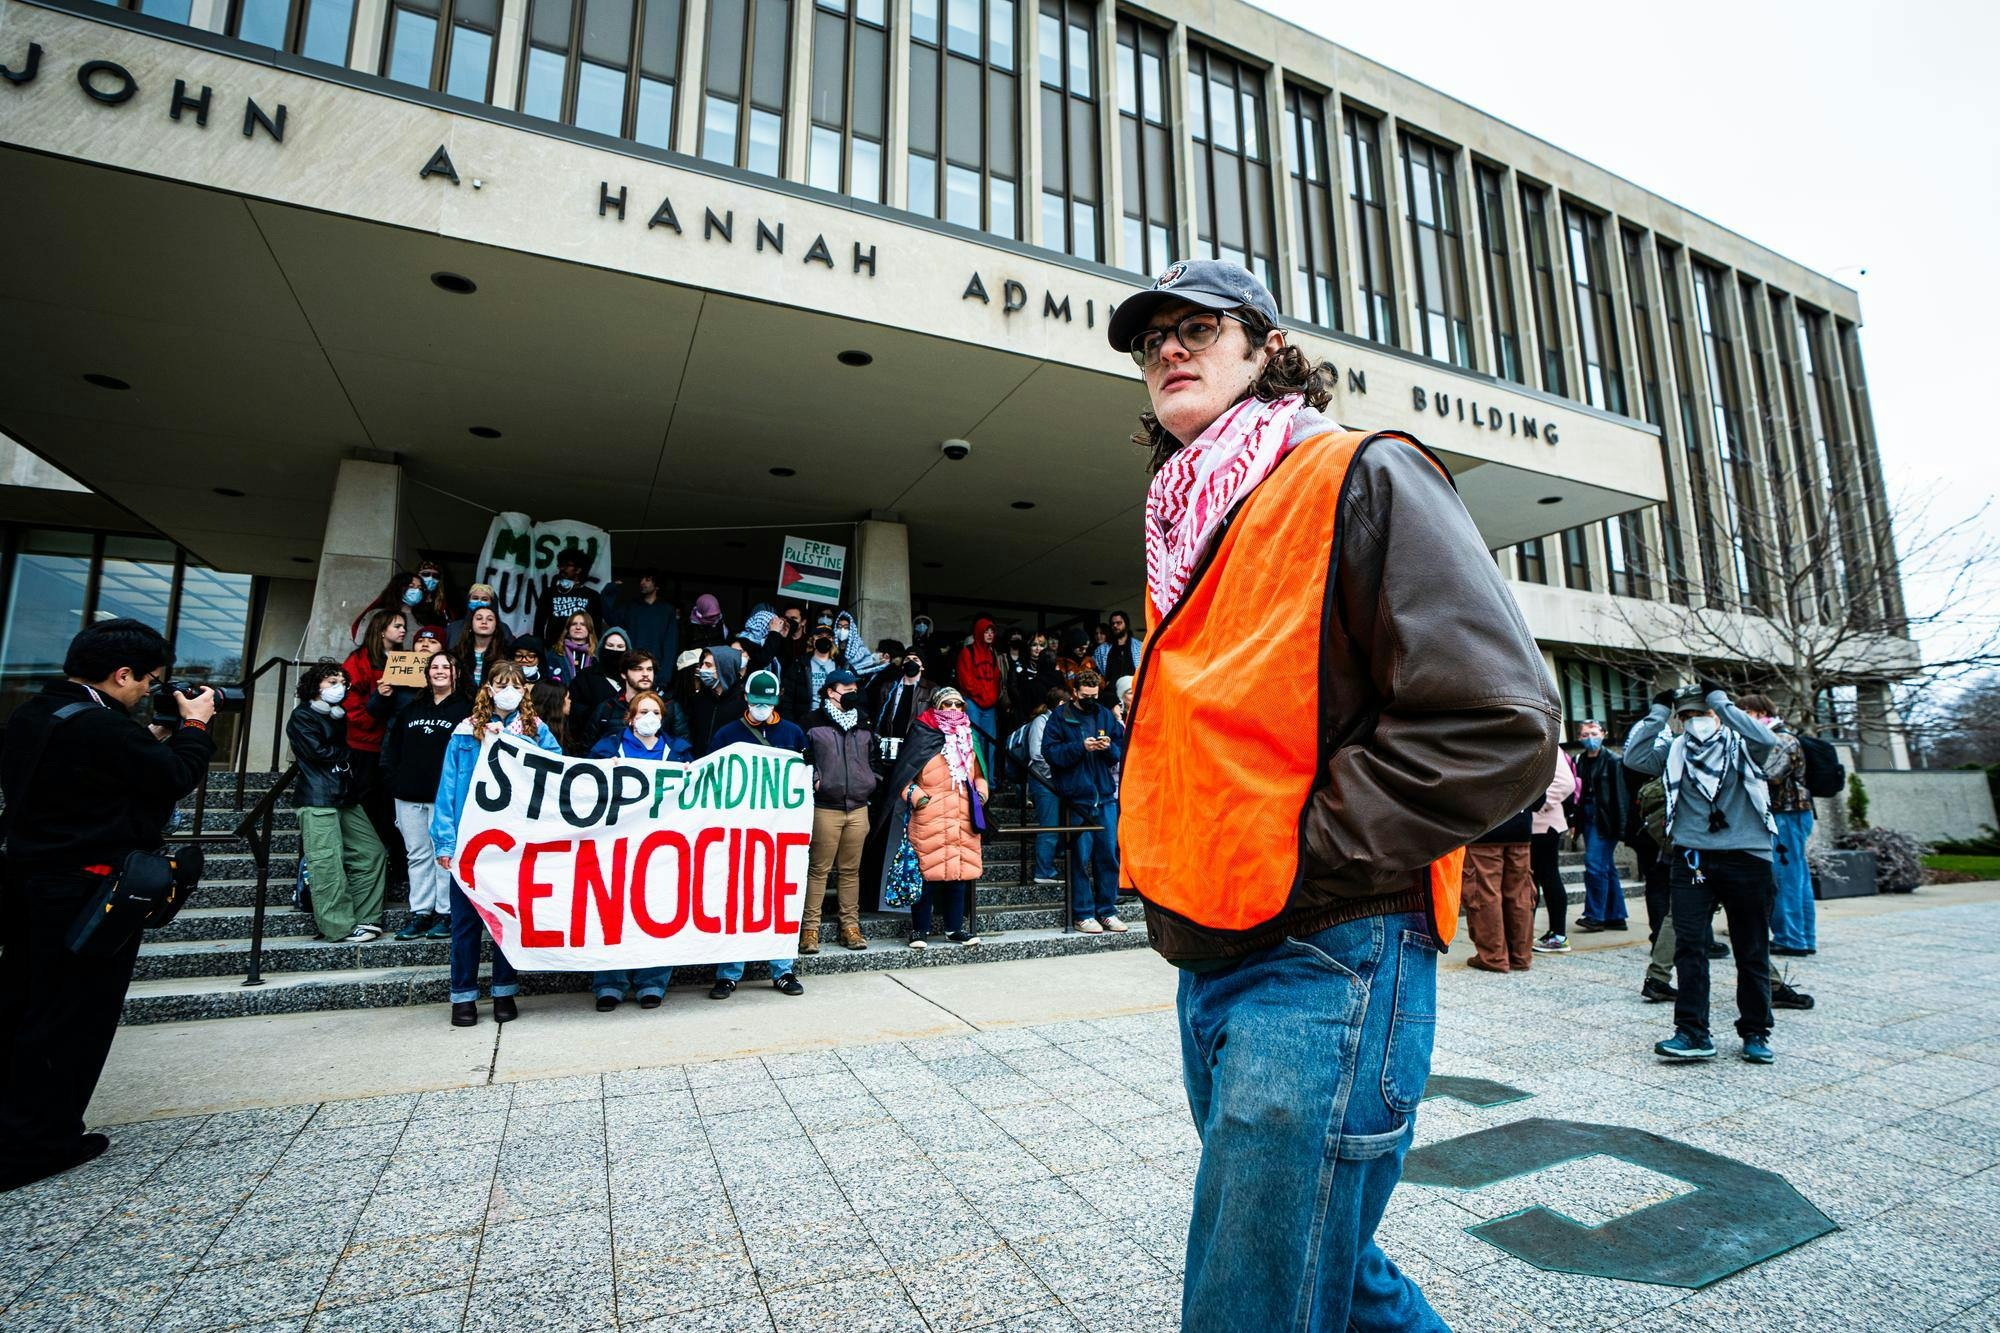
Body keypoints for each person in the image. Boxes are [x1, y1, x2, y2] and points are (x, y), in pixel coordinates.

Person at [1106, 259, 1558, 1333]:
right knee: (1330, 1273)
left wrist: (1299, 849)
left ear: (1265, 348)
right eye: (1148, 336)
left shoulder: (1358, 472)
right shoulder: (1186, 523)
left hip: (1326, 952)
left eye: (1198, 327)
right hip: (1217, 950)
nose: (1168, 347)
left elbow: (1499, 720)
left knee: (1248, 1302)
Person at [0, 618, 216, 1190]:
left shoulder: (33, 714)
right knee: (74, 1014)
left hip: (28, 882)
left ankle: (15, 1126)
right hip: (84, 890)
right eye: (147, 679)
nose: (150, 689)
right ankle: (40, 1142)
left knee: (25, 1003)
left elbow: (110, 778)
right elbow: (174, 776)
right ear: (121, 673)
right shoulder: (100, 726)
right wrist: (196, 728)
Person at [1623, 683, 1779, 1064]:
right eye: (1687, 716)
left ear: (1716, 714)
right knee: (1689, 946)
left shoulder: (1742, 746)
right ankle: (1692, 1031)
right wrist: (1659, 712)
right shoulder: (1674, 750)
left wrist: (1721, 703)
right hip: (1692, 858)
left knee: (1751, 948)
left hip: (1747, 856)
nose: (1696, 722)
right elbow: (1634, 757)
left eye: (1702, 714)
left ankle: (1755, 1031)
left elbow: (1766, 738)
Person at [431, 663, 562, 1027]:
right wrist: (445, 841)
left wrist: (514, 742)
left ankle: (505, 991)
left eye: (515, 685)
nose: (508, 691)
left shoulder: (537, 731)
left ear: (525, 691)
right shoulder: (463, 733)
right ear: (488, 689)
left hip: (515, 844)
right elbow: (447, 790)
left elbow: (558, 771)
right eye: (501, 684)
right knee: (466, 924)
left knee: (507, 920)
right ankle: (463, 997)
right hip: (471, 843)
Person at [703, 669, 805, 999]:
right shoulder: (727, 734)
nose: (762, 707)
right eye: (756, 701)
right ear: (746, 698)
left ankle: (783, 969)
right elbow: (710, 776)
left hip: (778, 833)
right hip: (737, 831)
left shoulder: (793, 733)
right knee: (734, 900)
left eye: (768, 702)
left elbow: (805, 779)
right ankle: (729, 972)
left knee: (778, 898)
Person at [587, 690, 684, 1010]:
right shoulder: (608, 749)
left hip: (660, 850)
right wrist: (602, 769)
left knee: (658, 913)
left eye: (655, 713)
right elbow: (585, 786)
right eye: (643, 712)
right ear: (630, 718)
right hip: (616, 846)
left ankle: (652, 981)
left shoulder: (679, 753)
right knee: (611, 915)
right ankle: (609, 983)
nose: (649, 719)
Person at [288, 660, 389, 946]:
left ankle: (366, 918)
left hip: (345, 795)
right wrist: (349, 754)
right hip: (317, 798)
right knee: (326, 863)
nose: (339, 688)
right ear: (314, 686)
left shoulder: (338, 716)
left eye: (342, 683)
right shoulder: (303, 716)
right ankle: (338, 927)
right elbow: (319, 752)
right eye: (331, 682)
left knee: (371, 852)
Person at [881, 686, 986, 949]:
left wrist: (982, 793)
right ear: (937, 706)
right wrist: (918, 797)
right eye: (947, 704)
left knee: (959, 874)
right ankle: (919, 930)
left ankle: (954, 929)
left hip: (962, 815)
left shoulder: (969, 736)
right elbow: (902, 777)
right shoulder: (921, 733)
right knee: (925, 874)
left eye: (957, 705)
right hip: (930, 816)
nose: (952, 709)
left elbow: (979, 773)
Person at [380, 651, 470, 940]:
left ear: (457, 673)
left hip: (445, 797)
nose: (440, 671)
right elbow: (391, 748)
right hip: (407, 794)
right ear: (427, 673)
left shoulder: (466, 709)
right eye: (435, 667)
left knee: (444, 855)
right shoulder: (411, 708)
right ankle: (420, 912)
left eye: (447, 666)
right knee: (417, 854)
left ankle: (445, 912)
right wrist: (394, 780)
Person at [1043, 670, 1126, 933]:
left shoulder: (1103, 713)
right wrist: (1081, 747)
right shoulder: (1060, 716)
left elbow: (1120, 750)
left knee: (1109, 855)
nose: (1090, 699)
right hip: (1077, 797)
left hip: (1104, 794)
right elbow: (1050, 753)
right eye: (1085, 695)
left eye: (1095, 695)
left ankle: (1107, 910)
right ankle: (1082, 913)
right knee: (1079, 858)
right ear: (1075, 692)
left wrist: (1107, 747)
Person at [800, 670, 876, 954]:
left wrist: (871, 780)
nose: (854, 691)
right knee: (819, 870)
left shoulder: (865, 721)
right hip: (825, 807)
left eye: (856, 686)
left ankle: (850, 927)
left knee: (850, 871)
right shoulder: (810, 722)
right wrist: (814, 777)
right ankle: (809, 929)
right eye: (848, 687)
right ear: (831, 691)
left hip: (858, 807)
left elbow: (874, 757)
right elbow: (803, 759)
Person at [1742, 694, 1815, 958]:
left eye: (1746, 713)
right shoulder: (1778, 737)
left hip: (1787, 813)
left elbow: (1769, 774)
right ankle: (1802, 937)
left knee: (1786, 877)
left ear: (1760, 713)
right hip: (1791, 813)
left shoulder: (1780, 739)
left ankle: (1791, 938)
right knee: (1798, 876)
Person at [343, 607, 409, 897]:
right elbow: (351, 705)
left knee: (388, 810)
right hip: (364, 746)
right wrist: (373, 714)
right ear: (382, 629)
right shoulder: (358, 661)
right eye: (397, 625)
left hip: (392, 747)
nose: (403, 630)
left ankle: (391, 868)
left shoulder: (404, 661)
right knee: (367, 806)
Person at [1462, 800, 1537, 974]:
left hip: (1486, 828)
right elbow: (1540, 799)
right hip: (1521, 826)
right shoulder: (1527, 769)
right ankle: (1521, 956)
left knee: (1485, 893)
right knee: (1519, 894)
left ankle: (1493, 957)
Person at [1572, 719, 1632, 932]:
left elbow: (1620, 796)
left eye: (1594, 733)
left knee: (1595, 865)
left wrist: (1622, 826)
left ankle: (1594, 915)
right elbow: (1577, 795)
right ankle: (1616, 915)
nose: (1590, 738)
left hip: (1606, 818)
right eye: (1585, 734)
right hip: (1587, 817)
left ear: (1604, 734)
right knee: (1606, 867)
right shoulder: (1578, 760)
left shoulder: (1613, 761)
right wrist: (1574, 823)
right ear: (1579, 737)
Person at [1530, 747, 1579, 954]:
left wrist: (1539, 804)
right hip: (1537, 824)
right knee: (1536, 880)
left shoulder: (1547, 742)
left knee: (1548, 878)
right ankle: (1533, 933)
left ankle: (1558, 934)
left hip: (1544, 824)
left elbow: (1566, 783)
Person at [590, 649, 687, 753]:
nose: (645, 674)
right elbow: (588, 749)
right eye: (638, 669)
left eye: (649, 669)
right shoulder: (607, 708)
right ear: (623, 674)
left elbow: (682, 750)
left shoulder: (669, 706)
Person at [1021, 685, 1069, 885]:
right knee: (1049, 825)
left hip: (1055, 780)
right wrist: (1054, 774)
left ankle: (1051, 862)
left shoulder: (1058, 721)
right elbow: (1037, 754)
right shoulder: (1041, 722)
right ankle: (1043, 870)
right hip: (1044, 780)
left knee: (1057, 823)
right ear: (1060, 704)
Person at [871, 648, 935, 768]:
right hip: (892, 744)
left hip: (916, 745)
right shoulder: (888, 687)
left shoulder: (931, 690)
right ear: (902, 665)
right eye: (907, 659)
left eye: (916, 659)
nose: (911, 662)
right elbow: (879, 715)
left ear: (922, 666)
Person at [954, 617, 1005, 769]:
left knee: (990, 742)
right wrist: (984, 695)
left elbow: (996, 679)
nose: (990, 634)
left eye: (992, 632)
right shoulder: (967, 652)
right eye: (986, 631)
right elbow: (966, 680)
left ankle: (989, 781)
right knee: (973, 741)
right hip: (973, 702)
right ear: (978, 632)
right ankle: (975, 779)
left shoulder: (992, 655)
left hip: (989, 705)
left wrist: (992, 697)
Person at [608, 568, 678, 669]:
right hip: (631, 664)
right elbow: (613, 620)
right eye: (641, 579)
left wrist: (664, 676)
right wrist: (610, 592)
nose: (642, 582)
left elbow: (670, 645)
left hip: (655, 668)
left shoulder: (667, 611)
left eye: (647, 580)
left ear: (657, 585)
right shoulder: (631, 607)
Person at [684, 646, 745, 754]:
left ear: (724, 669)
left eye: (708, 665)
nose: (702, 669)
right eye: (702, 664)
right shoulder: (697, 700)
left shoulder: (743, 703)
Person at [539, 547, 607, 645]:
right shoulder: (549, 592)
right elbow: (539, 624)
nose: (562, 569)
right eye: (560, 565)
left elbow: (596, 627)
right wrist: (540, 648)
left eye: (567, 565)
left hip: (581, 649)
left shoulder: (592, 596)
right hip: (553, 649)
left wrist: (593, 650)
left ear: (578, 570)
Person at [567, 627, 630, 729]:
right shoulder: (585, 677)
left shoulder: (632, 678)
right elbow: (574, 709)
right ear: (602, 648)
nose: (614, 650)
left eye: (620, 647)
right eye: (610, 645)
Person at [451, 587, 511, 691]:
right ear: (471, 624)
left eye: (490, 619)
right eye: (479, 618)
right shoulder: (457, 653)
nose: (484, 622)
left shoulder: (506, 654)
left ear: (496, 625)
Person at [1094, 610, 1145, 684]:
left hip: (1133, 690)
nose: (1115, 626)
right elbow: (1096, 671)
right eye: (1112, 623)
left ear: (1126, 624)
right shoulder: (1102, 649)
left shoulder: (1139, 646)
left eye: (1118, 623)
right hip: (1111, 692)